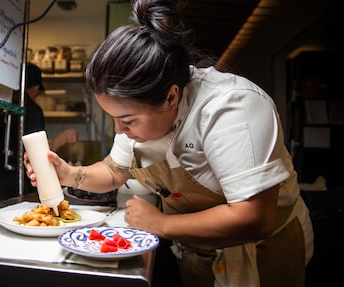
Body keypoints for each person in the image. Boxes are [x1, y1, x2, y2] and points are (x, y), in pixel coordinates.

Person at [24, 1, 314, 286]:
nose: (119, 130)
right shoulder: (137, 116)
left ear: (171, 97)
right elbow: (115, 171)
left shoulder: (232, 107)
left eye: (127, 120)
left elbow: (254, 218)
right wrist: (69, 174)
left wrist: (160, 224)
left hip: (261, 253)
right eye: (112, 118)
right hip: (195, 248)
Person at [0, 62, 78, 201]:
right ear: (36, 87)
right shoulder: (31, 110)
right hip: (9, 188)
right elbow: (38, 157)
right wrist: (61, 140)